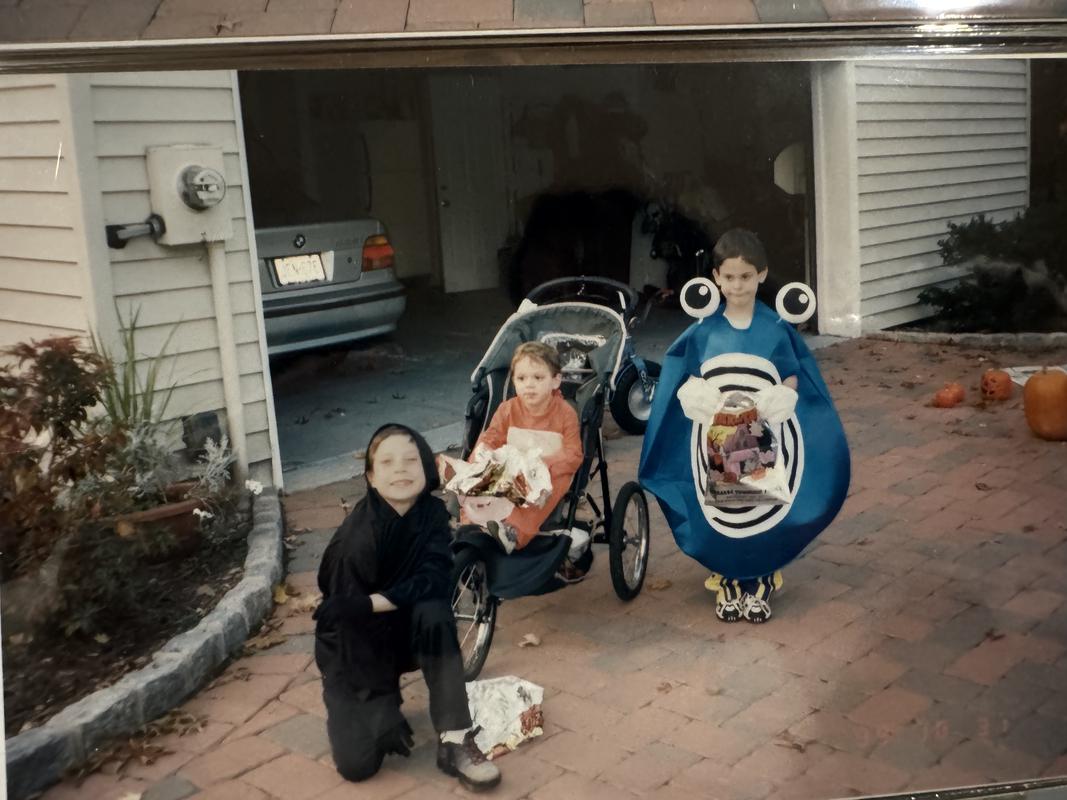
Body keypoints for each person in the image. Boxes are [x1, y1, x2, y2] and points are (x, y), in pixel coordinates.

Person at [639, 228, 851, 624]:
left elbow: (791, 375)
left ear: (762, 275)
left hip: (761, 434)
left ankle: (762, 581)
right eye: (730, 277)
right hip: (716, 436)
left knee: (760, 505)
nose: (738, 286)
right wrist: (698, 397)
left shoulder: (773, 330)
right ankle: (728, 581)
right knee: (722, 510)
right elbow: (687, 375)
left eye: (746, 277)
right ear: (716, 277)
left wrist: (779, 399)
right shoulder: (704, 331)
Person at [313, 423, 501, 792]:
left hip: (407, 629)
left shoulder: (431, 515)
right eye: (387, 462)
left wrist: (373, 602)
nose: (400, 469)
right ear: (370, 476)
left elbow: (435, 580)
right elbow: (345, 630)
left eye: (410, 460)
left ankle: (455, 738)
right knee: (357, 766)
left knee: (434, 611)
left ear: (425, 468)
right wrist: (380, 705)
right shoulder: (355, 542)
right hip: (353, 647)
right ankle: (376, 704)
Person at [463, 342, 584, 556]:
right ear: (514, 381)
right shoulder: (508, 409)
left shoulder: (566, 413)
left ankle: (513, 532)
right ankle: (470, 524)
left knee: (540, 492)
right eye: (521, 378)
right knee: (482, 475)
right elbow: (491, 437)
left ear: (555, 380)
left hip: (549, 471)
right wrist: (484, 453)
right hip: (511, 468)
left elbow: (573, 454)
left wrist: (542, 466)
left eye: (538, 378)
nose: (529, 385)